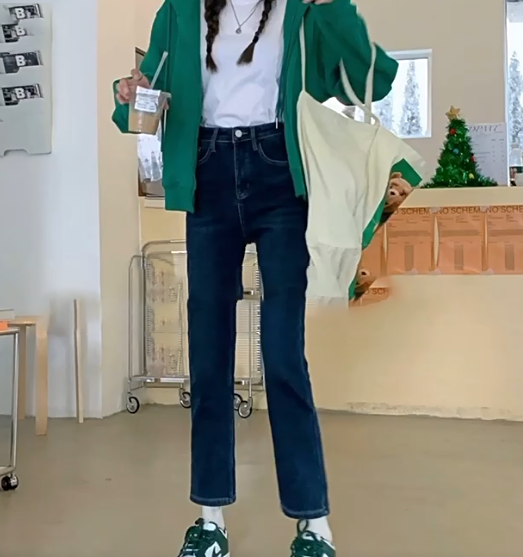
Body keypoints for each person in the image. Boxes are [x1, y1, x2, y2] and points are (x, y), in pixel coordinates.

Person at [113, 0, 397, 555]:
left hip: (279, 174)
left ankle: (313, 525)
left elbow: (375, 79)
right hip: (208, 174)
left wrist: (334, 6)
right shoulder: (181, 10)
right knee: (209, 354)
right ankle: (210, 519)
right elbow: (145, 101)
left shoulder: (303, 11)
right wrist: (130, 93)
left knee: (284, 355)